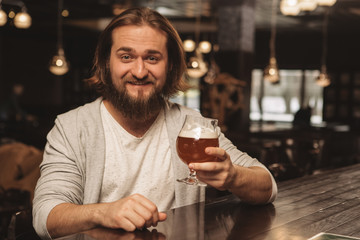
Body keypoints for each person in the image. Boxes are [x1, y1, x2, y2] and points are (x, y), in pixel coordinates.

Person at [32, 7, 278, 240]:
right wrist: (103, 212)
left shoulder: (193, 126)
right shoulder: (72, 127)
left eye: (152, 58)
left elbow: (267, 186)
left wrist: (233, 176)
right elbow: (46, 217)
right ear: (107, 63)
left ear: (170, 66)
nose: (139, 71)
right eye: (126, 56)